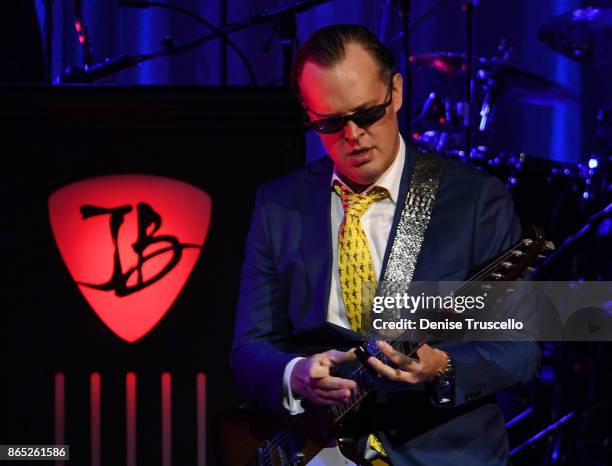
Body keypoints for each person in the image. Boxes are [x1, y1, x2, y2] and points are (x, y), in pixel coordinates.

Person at [231, 24, 539, 466]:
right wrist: (295, 374)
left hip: (439, 453)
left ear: (395, 92)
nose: (353, 136)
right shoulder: (279, 205)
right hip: (318, 450)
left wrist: (443, 368)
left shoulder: (473, 200)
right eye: (330, 123)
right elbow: (248, 348)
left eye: (367, 114)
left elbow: (521, 346)